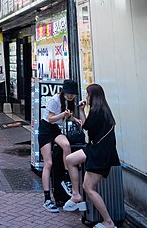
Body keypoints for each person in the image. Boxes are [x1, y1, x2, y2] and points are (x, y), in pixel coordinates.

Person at [63, 83, 120, 228]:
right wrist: (82, 110)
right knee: (69, 160)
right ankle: (76, 194)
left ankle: (108, 222)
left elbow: (86, 127)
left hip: (100, 153)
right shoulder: (101, 110)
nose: (86, 97)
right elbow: (88, 126)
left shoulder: (98, 111)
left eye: (88, 94)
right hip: (95, 148)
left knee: (88, 187)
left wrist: (82, 110)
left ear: (93, 96)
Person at [38, 78, 79, 212]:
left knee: (66, 145)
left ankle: (66, 177)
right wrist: (63, 114)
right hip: (45, 129)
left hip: (55, 130)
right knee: (48, 163)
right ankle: (47, 199)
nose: (71, 96)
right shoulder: (55, 100)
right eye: (69, 94)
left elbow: (68, 117)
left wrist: (76, 120)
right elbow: (50, 118)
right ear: (64, 92)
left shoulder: (70, 102)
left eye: (73, 94)